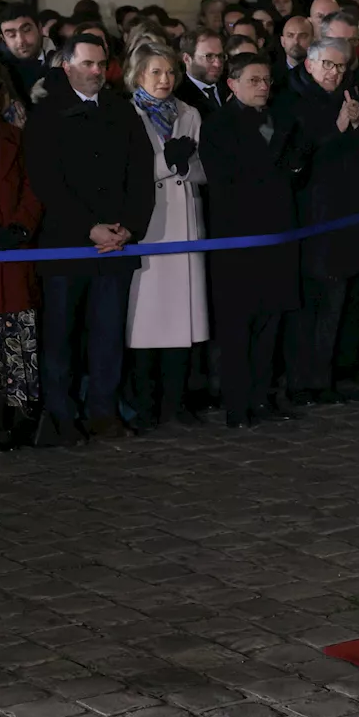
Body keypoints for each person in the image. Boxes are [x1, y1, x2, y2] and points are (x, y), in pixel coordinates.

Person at [24, 35, 156, 443]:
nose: (96, 71)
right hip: (66, 243)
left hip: (116, 244)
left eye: (101, 64)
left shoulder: (122, 111)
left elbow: (141, 175)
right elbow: (46, 181)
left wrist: (130, 227)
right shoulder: (46, 115)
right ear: (67, 66)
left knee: (108, 334)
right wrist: (89, 227)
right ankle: (62, 414)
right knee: (60, 335)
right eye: (87, 64)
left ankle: (104, 411)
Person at [277, 38, 359, 402]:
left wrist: (356, 124)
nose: (335, 73)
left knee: (335, 304)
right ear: (309, 65)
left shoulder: (348, 98)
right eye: (328, 65)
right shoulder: (291, 101)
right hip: (310, 219)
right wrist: (338, 129)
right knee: (307, 307)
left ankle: (321, 380)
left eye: (341, 67)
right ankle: (298, 382)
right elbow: (295, 160)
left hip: (345, 219)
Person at [201, 55, 305, 427]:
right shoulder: (217, 125)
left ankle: (262, 399)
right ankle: (236, 404)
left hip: (278, 234)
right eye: (254, 79)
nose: (264, 86)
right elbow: (233, 178)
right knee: (237, 324)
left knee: (270, 321)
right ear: (232, 83)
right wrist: (277, 151)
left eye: (266, 79)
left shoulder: (280, 117)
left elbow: (294, 165)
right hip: (238, 239)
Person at [122, 41, 208, 429]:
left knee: (180, 316)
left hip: (184, 221)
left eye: (170, 72)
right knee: (146, 319)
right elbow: (126, 170)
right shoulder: (127, 114)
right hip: (148, 225)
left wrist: (186, 166)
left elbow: (204, 168)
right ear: (139, 75)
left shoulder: (189, 112)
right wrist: (165, 161)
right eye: (155, 72)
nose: (165, 79)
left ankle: (177, 403)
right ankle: (145, 406)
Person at [0, 88, 42, 451]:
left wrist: (20, 227)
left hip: (13, 253)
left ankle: (20, 413)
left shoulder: (18, 140)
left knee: (17, 334)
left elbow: (33, 188)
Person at [176, 29, 228, 115]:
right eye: (209, 56)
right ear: (187, 58)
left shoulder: (231, 84)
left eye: (220, 56)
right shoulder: (178, 96)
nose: (217, 64)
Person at [274, 16, 314, 90]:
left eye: (302, 36)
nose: (296, 41)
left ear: (313, 40)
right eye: (290, 35)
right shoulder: (272, 74)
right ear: (283, 41)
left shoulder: (320, 75)